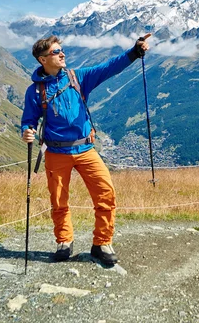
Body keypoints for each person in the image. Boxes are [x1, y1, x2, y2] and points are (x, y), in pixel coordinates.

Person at [21, 34, 150, 265]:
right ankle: (64, 241)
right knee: (59, 200)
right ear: (42, 59)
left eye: (62, 50)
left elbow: (108, 68)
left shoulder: (77, 77)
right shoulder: (35, 91)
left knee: (106, 194)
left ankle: (102, 242)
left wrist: (134, 52)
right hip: (56, 152)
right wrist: (27, 130)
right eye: (56, 52)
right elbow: (28, 120)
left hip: (86, 149)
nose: (62, 54)